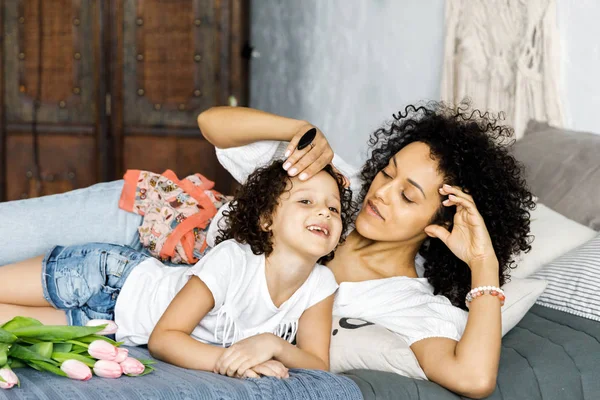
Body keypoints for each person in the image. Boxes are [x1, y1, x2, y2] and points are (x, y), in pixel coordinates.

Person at [0, 101, 533, 398]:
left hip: (142, 291)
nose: (380, 193)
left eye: (407, 195)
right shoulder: (335, 187)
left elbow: (475, 378)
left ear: (440, 219)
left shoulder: (406, 302)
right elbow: (211, 122)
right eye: (388, 172)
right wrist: (298, 131)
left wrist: (482, 264)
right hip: (144, 220)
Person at [0, 161, 355, 379]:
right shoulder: (234, 259)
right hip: (108, 276)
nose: (324, 213)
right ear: (266, 219)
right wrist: (230, 361)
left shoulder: (320, 285)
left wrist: (272, 345)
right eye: (306, 201)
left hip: (109, 328)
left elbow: (316, 363)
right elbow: (165, 338)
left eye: (334, 209)